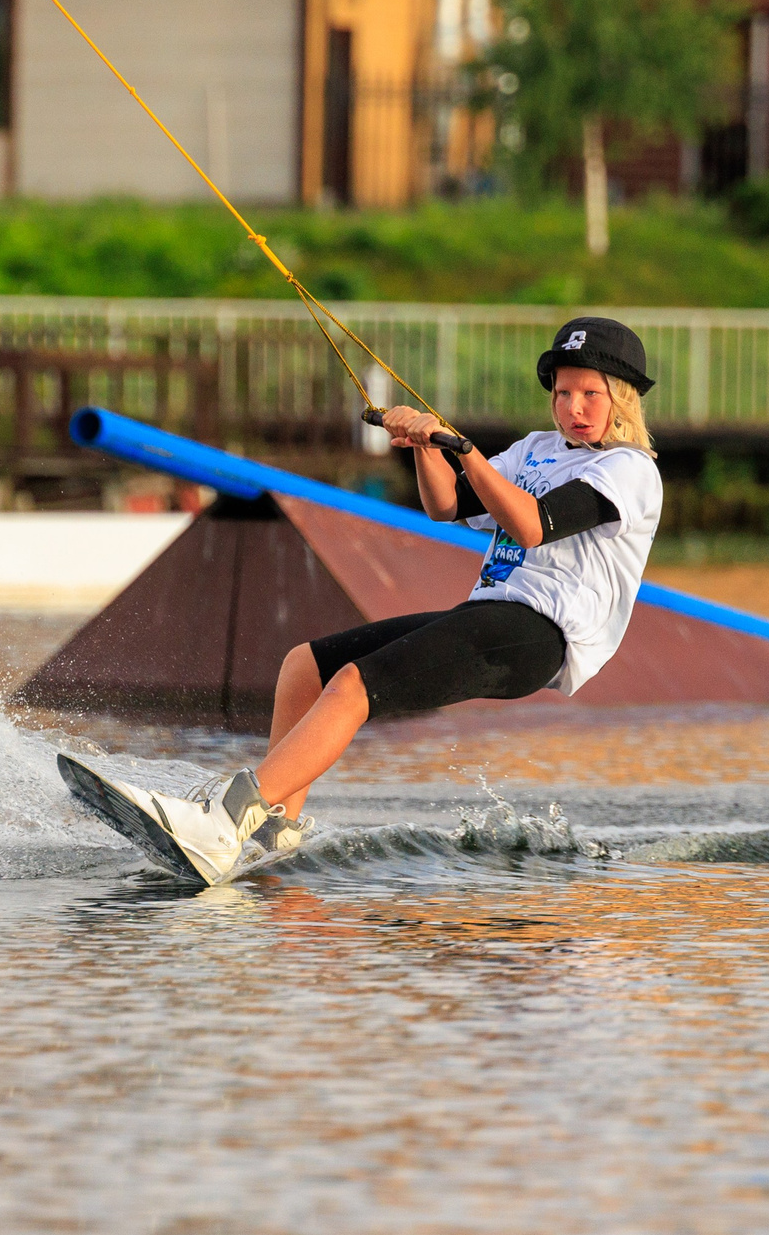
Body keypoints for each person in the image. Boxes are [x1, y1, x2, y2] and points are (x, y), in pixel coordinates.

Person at [158, 316, 665, 881]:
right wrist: (427, 445)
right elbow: (446, 505)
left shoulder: (628, 469)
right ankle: (275, 835)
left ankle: (226, 820)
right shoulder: (536, 450)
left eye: (590, 393)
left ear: (621, 398)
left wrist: (467, 450)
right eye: (563, 391)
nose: (574, 405)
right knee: (306, 666)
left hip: (542, 634)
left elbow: (531, 526)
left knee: (354, 684)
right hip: (490, 613)